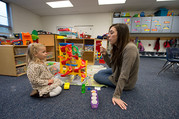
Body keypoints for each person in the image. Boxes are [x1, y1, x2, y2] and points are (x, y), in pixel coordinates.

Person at [94, 23, 139, 110]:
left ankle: (113, 80)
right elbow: (111, 65)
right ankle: (111, 77)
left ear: (120, 35)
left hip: (127, 82)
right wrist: (105, 55)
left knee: (96, 76)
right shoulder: (117, 47)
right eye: (108, 33)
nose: (108, 36)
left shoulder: (130, 48)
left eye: (111, 33)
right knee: (100, 72)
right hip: (117, 71)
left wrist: (116, 96)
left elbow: (124, 74)